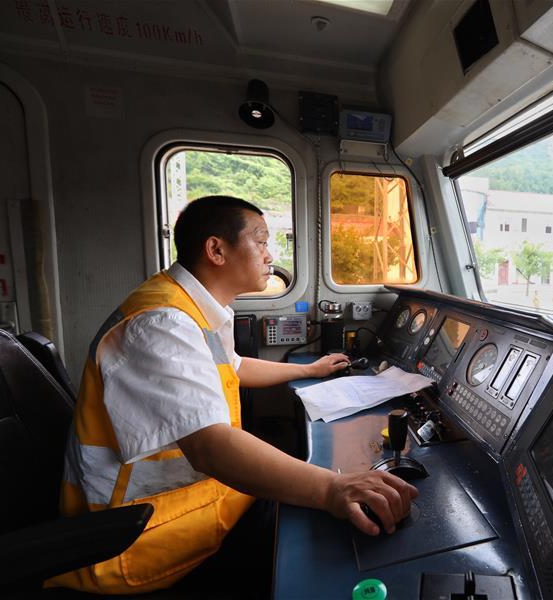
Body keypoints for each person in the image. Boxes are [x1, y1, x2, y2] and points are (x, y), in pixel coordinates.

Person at [47, 196, 417, 596]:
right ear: (216, 250)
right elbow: (210, 448)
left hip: (185, 499)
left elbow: (234, 367)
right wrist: (331, 489)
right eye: (260, 241)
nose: (269, 254)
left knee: (296, 482)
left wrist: (309, 370)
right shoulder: (163, 322)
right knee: (316, 524)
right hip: (138, 532)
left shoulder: (192, 306)